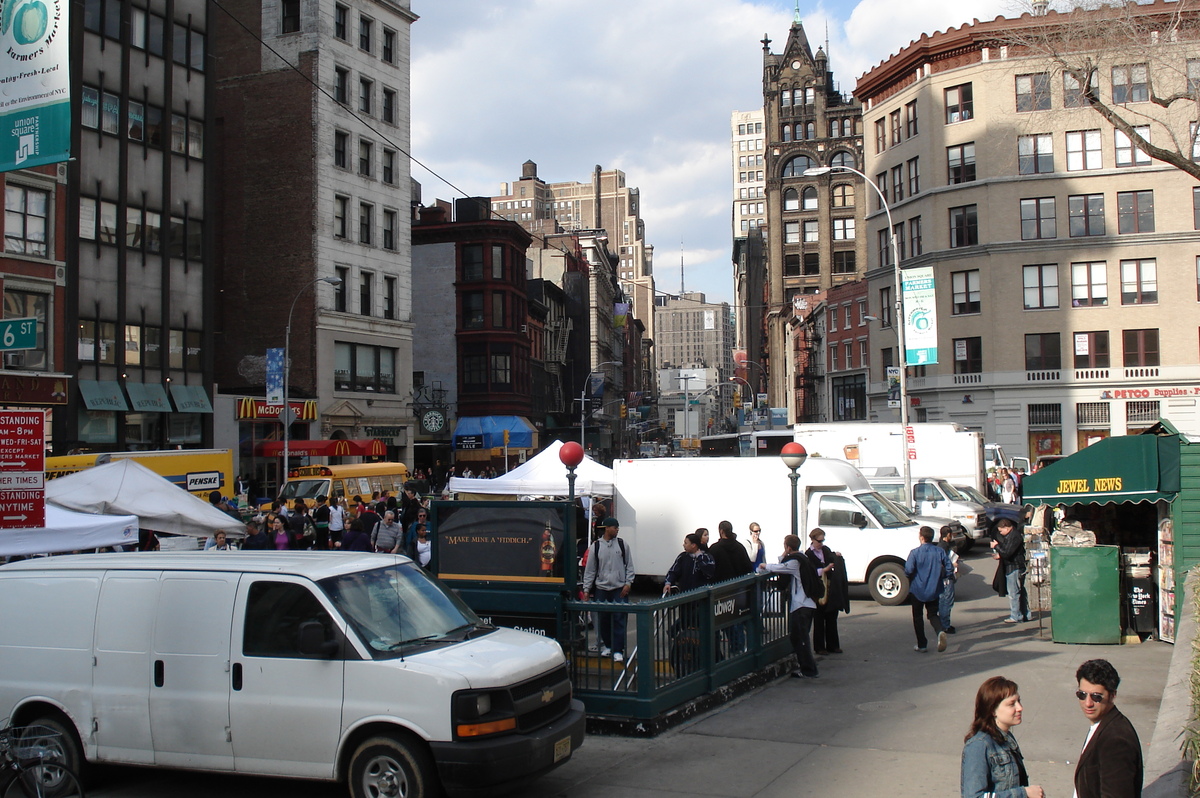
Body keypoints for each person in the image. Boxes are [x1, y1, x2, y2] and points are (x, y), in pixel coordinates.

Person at [960, 675, 1044, 798]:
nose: (1020, 708)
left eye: (1019, 701)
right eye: (1012, 704)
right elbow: (973, 796)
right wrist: (1024, 793)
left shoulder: (1007, 738)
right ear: (992, 710)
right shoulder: (979, 745)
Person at [1073, 659, 1143, 798]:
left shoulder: (1116, 741)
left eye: (1096, 697)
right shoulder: (1102, 724)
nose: (1088, 703)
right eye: (1082, 695)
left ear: (1112, 696)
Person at [757, 534, 820, 679]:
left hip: (801, 605)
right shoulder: (803, 558)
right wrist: (785, 553)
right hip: (808, 603)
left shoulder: (795, 563)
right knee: (800, 637)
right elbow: (784, 563)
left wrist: (764, 565)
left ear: (788, 547)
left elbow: (781, 567)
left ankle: (809, 670)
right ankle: (807, 668)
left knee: (800, 638)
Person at [580, 517, 635, 663]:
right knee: (603, 619)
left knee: (619, 618)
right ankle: (609, 646)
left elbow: (629, 565)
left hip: (618, 586)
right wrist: (587, 589)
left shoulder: (623, 545)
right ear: (607, 528)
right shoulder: (596, 546)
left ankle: (618, 649)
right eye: (614, 527)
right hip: (602, 587)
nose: (617, 529)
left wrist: (628, 583)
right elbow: (590, 569)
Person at [905, 526, 952, 653]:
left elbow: (908, 570)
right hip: (934, 588)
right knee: (932, 614)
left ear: (921, 537)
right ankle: (940, 631)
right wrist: (943, 576)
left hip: (917, 589)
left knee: (917, 617)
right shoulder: (939, 552)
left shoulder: (915, 553)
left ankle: (922, 644)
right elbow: (949, 567)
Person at [807, 528, 849, 655]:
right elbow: (810, 571)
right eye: (819, 541)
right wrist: (824, 569)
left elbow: (831, 557)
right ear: (813, 540)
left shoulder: (825, 550)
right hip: (818, 587)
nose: (821, 543)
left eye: (823, 540)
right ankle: (819, 647)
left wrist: (836, 557)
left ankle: (833, 645)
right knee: (819, 619)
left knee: (831, 616)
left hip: (830, 586)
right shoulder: (808, 554)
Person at [991, 518, 1031, 623]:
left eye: (1001, 531)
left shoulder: (1014, 536)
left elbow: (1007, 552)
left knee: (1014, 592)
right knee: (1019, 591)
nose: (1001, 533)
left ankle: (1016, 615)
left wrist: (996, 546)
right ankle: (1024, 614)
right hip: (1014, 566)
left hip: (1014, 567)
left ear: (1007, 528)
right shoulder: (1012, 536)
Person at [939, 525, 961, 633]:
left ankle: (943, 623)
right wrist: (953, 565)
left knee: (944, 600)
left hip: (943, 577)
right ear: (948, 535)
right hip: (947, 577)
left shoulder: (941, 546)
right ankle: (945, 625)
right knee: (946, 601)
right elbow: (944, 563)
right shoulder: (944, 548)